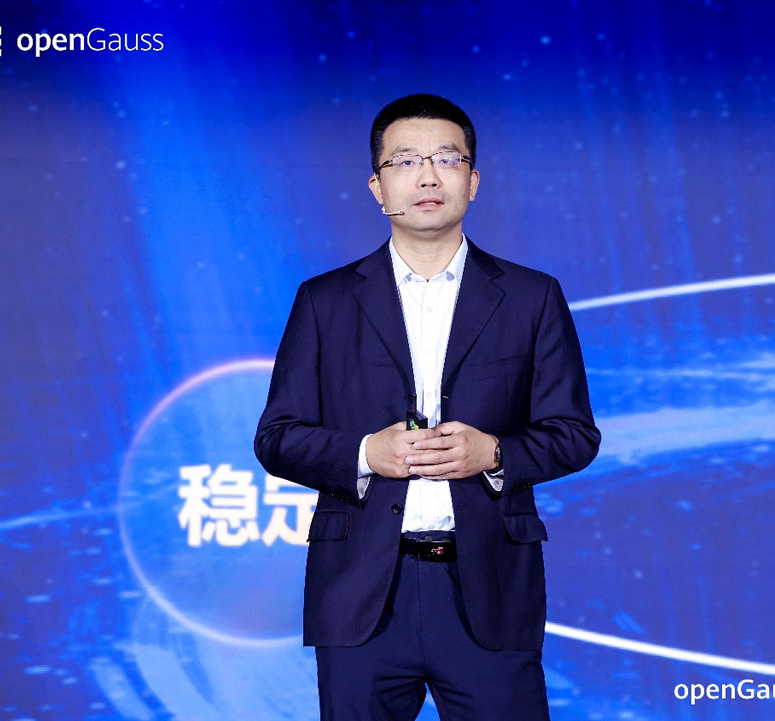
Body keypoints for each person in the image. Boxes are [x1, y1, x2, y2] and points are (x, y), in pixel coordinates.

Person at [254, 93, 600, 721]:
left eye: (446, 158)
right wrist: (368, 453)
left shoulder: (532, 297)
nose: (428, 176)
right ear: (377, 187)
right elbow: (277, 436)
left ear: (473, 181)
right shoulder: (324, 301)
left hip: (488, 586)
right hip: (361, 589)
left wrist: (494, 452)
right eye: (406, 160)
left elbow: (574, 433)